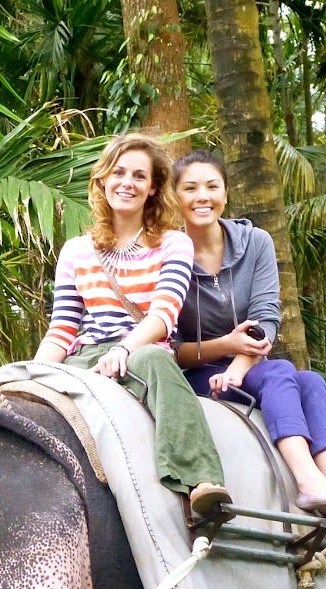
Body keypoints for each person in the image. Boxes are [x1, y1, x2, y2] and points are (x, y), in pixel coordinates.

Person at [34, 132, 232, 520]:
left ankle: (201, 480)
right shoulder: (76, 250)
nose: (127, 182)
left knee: (157, 363)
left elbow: (163, 316)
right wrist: (30, 373)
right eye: (119, 172)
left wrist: (124, 349)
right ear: (102, 180)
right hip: (86, 355)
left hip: (143, 348)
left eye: (139, 176)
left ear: (153, 187)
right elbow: (62, 328)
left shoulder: (173, 243)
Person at [172, 149, 326, 521]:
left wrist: (239, 365)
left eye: (212, 186)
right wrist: (226, 347)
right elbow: (172, 347)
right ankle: (307, 482)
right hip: (199, 371)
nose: (202, 197)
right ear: (176, 197)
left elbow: (266, 318)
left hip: (247, 364)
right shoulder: (169, 253)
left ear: (225, 194)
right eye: (191, 188)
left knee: (309, 380)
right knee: (279, 372)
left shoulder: (255, 242)